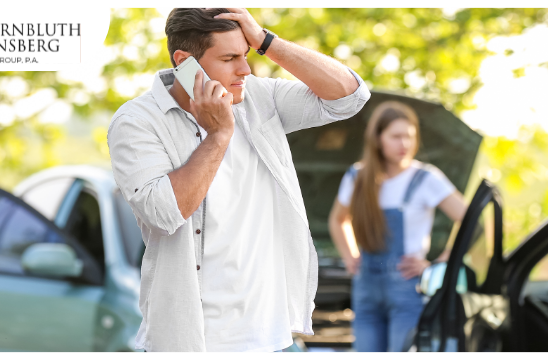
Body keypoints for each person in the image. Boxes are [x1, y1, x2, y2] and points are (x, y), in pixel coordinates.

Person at [107, 8, 371, 352]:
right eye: (230, 58)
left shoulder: (258, 97)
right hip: (195, 341)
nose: (245, 69)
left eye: (246, 55)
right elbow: (164, 214)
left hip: (275, 339)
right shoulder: (137, 121)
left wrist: (266, 41)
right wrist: (218, 135)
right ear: (184, 62)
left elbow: (349, 97)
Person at [328, 101, 467, 352]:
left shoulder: (426, 178)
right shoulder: (357, 176)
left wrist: (438, 264)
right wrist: (350, 257)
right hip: (366, 289)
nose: (404, 144)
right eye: (396, 136)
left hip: (407, 290)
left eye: (409, 136)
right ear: (377, 139)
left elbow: (471, 222)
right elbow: (338, 220)